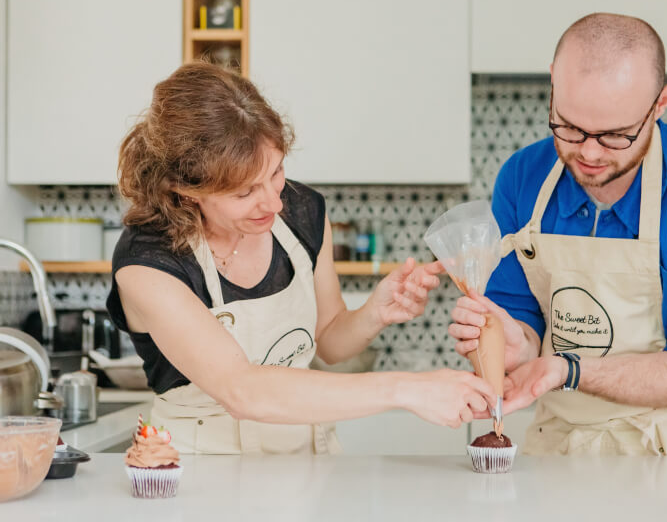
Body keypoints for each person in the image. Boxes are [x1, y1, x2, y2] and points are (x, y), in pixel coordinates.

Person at [107, 61, 493, 455]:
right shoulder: (147, 261)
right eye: (244, 192)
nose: (274, 203)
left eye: (276, 172)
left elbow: (328, 342)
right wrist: (406, 388)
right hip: (201, 473)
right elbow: (241, 390)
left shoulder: (303, 212)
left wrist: (374, 312)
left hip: (305, 466)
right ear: (185, 188)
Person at [448, 13, 667, 455]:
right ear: (553, 82)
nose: (589, 153)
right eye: (569, 127)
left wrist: (568, 371)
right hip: (556, 450)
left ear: (661, 103)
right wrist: (512, 343)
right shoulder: (522, 178)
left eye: (616, 135)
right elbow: (521, 321)